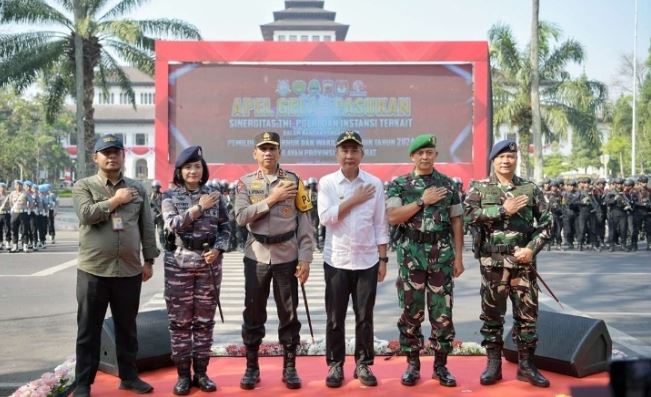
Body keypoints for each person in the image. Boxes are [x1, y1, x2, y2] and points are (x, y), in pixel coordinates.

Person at [71, 134, 159, 397]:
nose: (111, 156)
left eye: (116, 152)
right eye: (105, 152)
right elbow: (86, 215)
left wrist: (150, 259)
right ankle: (83, 383)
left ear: (123, 155)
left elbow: (146, 225)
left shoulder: (138, 188)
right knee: (88, 329)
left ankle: (129, 377)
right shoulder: (83, 186)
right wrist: (116, 201)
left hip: (129, 270)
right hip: (93, 271)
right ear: (95, 157)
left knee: (127, 328)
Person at [463, 140, 552, 388]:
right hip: (493, 263)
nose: (506, 161)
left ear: (516, 159)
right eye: (501, 157)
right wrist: (502, 210)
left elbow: (547, 224)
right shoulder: (479, 188)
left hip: (522, 262)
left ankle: (526, 366)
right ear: (493, 160)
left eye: (511, 156)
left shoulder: (530, 189)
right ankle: (493, 365)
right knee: (492, 315)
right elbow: (468, 215)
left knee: (527, 316)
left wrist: (531, 249)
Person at [234, 131, 314, 390]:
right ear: (255, 153)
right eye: (263, 148)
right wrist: (272, 199)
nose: (268, 152)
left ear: (279, 152)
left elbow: (304, 222)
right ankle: (251, 367)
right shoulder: (245, 183)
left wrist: (305, 258)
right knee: (253, 312)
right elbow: (241, 217)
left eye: (273, 148)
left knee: (289, 314)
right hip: (256, 255)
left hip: (287, 256)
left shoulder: (294, 180)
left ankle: (289, 367)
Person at [386, 134, 464, 388]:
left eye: (429, 152)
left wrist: (459, 257)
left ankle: (441, 367)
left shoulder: (449, 184)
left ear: (436, 155)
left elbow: (456, 221)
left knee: (442, 313)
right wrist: (422, 201)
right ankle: (412, 364)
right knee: (411, 311)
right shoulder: (400, 185)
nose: (425, 156)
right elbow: (394, 216)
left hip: (442, 256)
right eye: (420, 153)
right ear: (412, 157)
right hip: (411, 256)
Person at [317, 131, 389, 388]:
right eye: (344, 150)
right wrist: (354, 199)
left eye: (354, 150)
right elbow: (325, 218)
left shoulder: (375, 183)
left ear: (362, 154)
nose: (349, 155)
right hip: (336, 260)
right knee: (335, 317)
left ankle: (363, 364)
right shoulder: (327, 183)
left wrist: (383, 259)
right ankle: (335, 365)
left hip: (367, 260)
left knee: (364, 316)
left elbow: (381, 224)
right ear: (337, 154)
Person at [161, 145, 231, 395]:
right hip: (178, 265)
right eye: (188, 167)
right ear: (180, 171)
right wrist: (199, 207)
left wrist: (219, 249)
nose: (193, 171)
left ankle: (201, 373)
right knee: (179, 323)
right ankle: (182, 375)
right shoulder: (169, 196)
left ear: (204, 170)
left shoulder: (216, 196)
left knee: (204, 322)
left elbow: (226, 228)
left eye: (197, 166)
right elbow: (172, 225)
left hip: (208, 266)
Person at [149, 180, 165, 247]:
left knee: (161, 232)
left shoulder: (162, 195)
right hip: (151, 216)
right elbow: (146, 206)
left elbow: (165, 205)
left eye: (157, 187)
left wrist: (162, 212)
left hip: (160, 217)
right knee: (151, 233)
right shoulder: (149, 195)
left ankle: (163, 245)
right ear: (152, 187)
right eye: (155, 187)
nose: (156, 188)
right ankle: (152, 246)